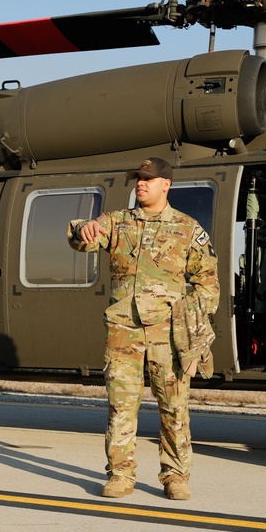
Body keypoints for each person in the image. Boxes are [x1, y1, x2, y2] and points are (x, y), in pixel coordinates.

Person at [67, 157, 219, 500]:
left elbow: (209, 286)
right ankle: (120, 475)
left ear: (166, 184)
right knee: (121, 406)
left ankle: (176, 477)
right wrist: (83, 228)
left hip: (169, 335)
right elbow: (83, 239)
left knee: (174, 407)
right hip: (124, 332)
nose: (140, 183)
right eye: (138, 178)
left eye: (148, 179)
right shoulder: (117, 222)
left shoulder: (187, 229)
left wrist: (189, 325)